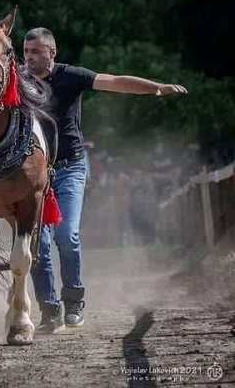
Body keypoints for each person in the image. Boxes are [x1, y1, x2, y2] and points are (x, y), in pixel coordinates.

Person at [23, 27, 187, 333]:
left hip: (70, 167)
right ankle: (48, 309)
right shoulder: (18, 80)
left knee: (66, 235)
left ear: (52, 52)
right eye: (26, 51)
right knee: (37, 244)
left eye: (36, 51)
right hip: (34, 173)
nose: (29, 57)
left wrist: (156, 88)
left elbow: (114, 81)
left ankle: (73, 301)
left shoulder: (71, 76)